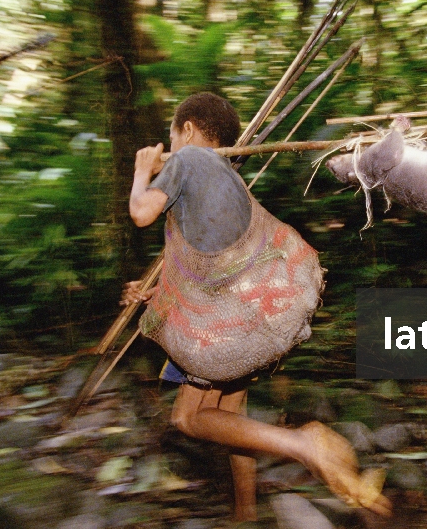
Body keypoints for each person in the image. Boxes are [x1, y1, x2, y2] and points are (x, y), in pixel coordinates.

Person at [121, 92, 390, 521]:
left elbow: (141, 212)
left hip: (224, 331)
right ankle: (246, 513)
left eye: (173, 135)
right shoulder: (224, 177)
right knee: (232, 418)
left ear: (187, 130)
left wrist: (140, 170)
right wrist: (151, 291)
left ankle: (301, 443)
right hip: (255, 315)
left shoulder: (190, 160)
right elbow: (205, 268)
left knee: (188, 419)